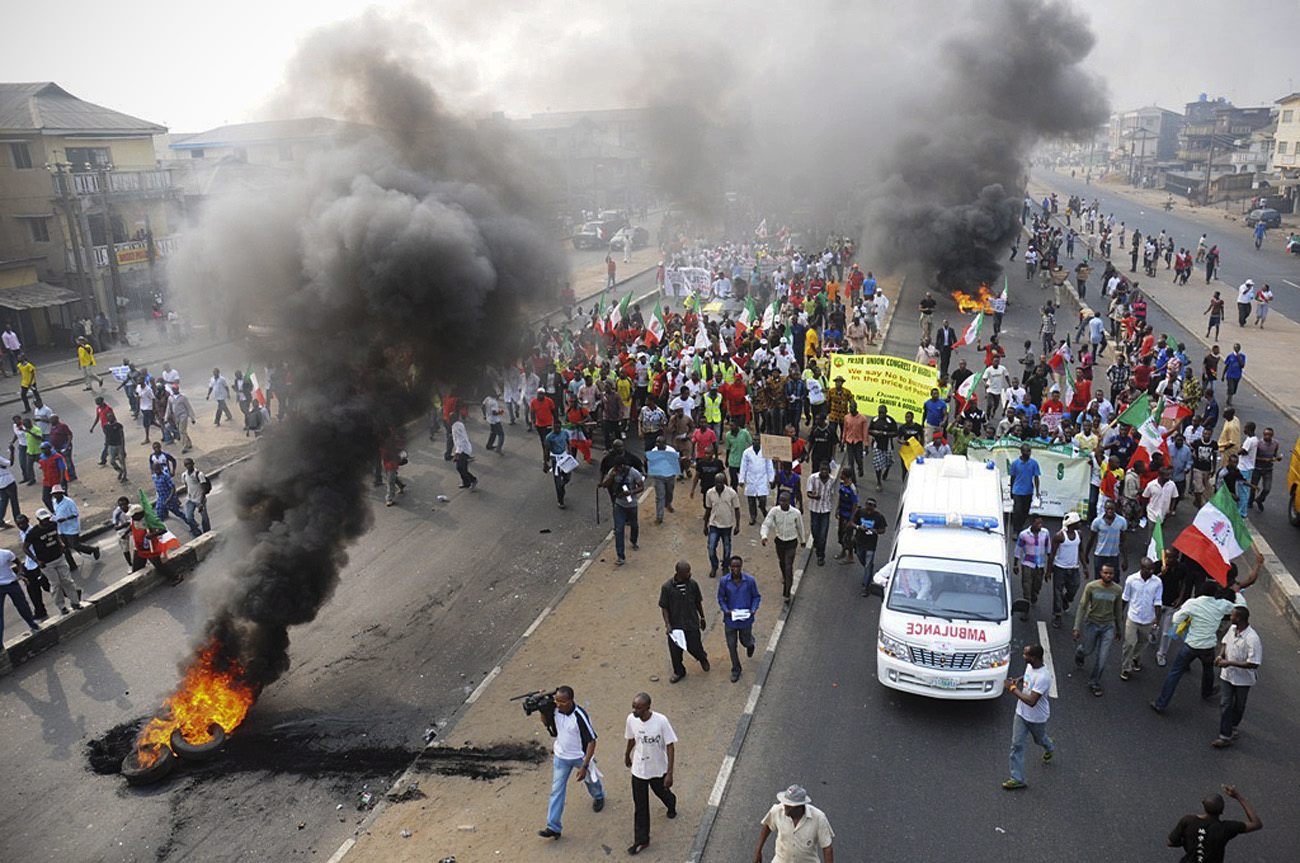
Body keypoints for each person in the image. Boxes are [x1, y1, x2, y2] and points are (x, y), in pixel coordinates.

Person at [1151, 583, 1237, 714]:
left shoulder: (1192, 603)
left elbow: (1176, 618)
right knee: (1208, 669)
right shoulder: (1222, 605)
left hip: (1191, 644)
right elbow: (1238, 608)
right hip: (1208, 645)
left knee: (1175, 673)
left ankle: (1161, 703)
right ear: (1215, 593)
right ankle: (1207, 692)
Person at [537, 685, 605, 839]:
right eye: (557, 701)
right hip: (561, 757)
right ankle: (553, 826)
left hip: (580, 757)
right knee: (556, 790)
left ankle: (599, 796)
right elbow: (545, 723)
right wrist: (542, 709)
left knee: (590, 781)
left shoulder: (579, 716)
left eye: (562, 702)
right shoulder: (554, 709)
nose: (558, 704)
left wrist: (585, 766)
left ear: (571, 701)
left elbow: (591, 741)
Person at [623, 692, 677, 855]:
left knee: (661, 791)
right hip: (639, 769)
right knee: (640, 806)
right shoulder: (631, 719)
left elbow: (670, 746)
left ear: (647, 707)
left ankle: (671, 802)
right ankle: (642, 840)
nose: (634, 710)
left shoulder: (661, 721)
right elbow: (631, 738)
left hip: (657, 767)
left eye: (638, 708)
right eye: (633, 706)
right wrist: (627, 755)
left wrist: (669, 773)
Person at [1001, 643, 1055, 790]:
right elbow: (1028, 676)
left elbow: (1031, 701)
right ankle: (1017, 778)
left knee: (1039, 739)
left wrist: (1012, 688)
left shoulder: (1044, 677)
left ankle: (1049, 746)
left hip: (1036, 718)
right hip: (1021, 714)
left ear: (1034, 658)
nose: (1023, 656)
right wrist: (1019, 680)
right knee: (1016, 745)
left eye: (1026, 655)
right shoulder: (1031, 666)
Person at [1166, 786, 1262, 860]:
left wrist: (1186, 843)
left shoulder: (1187, 820)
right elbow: (1256, 824)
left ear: (1204, 805)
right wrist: (1239, 797)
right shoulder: (1226, 828)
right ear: (1222, 810)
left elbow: (1170, 842)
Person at [1212, 606, 1262, 748]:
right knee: (1226, 704)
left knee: (1239, 706)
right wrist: (1221, 655)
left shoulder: (1252, 638)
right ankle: (1225, 736)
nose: (1230, 617)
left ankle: (1232, 726)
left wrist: (1229, 662)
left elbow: (1254, 664)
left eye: (1232, 615)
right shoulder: (1232, 629)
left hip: (1243, 680)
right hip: (1227, 676)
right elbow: (1225, 642)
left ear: (1239, 618)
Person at [1073, 562, 1123, 697]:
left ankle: (1094, 682)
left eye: (1111, 573)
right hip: (1092, 624)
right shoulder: (1091, 587)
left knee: (1102, 658)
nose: (1108, 575)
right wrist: (1077, 627)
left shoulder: (1117, 590)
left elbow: (1118, 611)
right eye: (1105, 573)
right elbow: (1082, 606)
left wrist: (1119, 629)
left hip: (1108, 626)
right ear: (1101, 573)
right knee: (1087, 650)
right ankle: (1080, 653)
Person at [752, 784, 835, 863]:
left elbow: (827, 848)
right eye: (785, 803)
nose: (785, 806)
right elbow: (767, 825)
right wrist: (758, 851)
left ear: (799, 806)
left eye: (789, 805)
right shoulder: (777, 811)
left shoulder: (818, 818)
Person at [24, 508, 82, 614]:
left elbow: (56, 535)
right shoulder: (33, 533)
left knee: (68, 581)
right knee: (56, 585)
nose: (46, 521)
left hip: (59, 557)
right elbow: (25, 548)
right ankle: (62, 607)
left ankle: (75, 602)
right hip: (46, 563)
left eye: (47, 518)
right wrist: (36, 560)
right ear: (38, 520)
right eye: (43, 520)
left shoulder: (53, 525)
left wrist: (61, 543)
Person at [659, 560, 709, 683]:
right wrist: (668, 625)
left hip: (691, 622)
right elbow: (664, 607)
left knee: (695, 647)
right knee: (675, 652)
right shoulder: (667, 588)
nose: (690, 574)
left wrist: (702, 617)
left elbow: (698, 602)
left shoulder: (693, 585)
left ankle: (702, 657)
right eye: (687, 572)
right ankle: (679, 671)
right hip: (675, 625)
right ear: (679, 573)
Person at [718, 555, 761, 682]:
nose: (735, 569)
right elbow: (721, 598)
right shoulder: (724, 582)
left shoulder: (750, 581)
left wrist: (753, 609)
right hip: (731, 620)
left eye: (738, 566)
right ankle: (736, 669)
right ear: (730, 567)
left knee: (745, 641)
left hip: (745, 620)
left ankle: (750, 644)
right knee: (732, 646)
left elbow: (756, 597)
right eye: (733, 566)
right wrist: (726, 610)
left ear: (741, 567)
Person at [1119, 558, 1163, 681]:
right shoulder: (1131, 580)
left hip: (1148, 619)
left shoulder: (1157, 582)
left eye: (1152, 569)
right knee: (1129, 644)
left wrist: (1157, 618)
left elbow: (1158, 601)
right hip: (1133, 617)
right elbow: (1125, 598)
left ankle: (1136, 658)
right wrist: (1119, 615)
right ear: (1141, 568)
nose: (1151, 571)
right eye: (1148, 569)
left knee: (1143, 642)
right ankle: (1126, 668)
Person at [760, 489, 806, 600]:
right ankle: (785, 577)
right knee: (782, 562)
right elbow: (766, 524)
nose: (782, 503)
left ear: (789, 501)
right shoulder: (774, 511)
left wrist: (803, 540)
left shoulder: (796, 513)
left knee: (789, 566)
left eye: (784, 501)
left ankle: (787, 593)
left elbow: (800, 527)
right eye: (780, 501)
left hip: (791, 542)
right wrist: (764, 536)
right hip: (780, 542)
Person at [602, 459, 644, 565]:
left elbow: (641, 487)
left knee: (634, 525)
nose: (617, 470)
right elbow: (604, 484)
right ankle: (620, 556)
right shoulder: (613, 471)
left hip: (632, 504)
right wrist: (611, 476)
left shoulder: (633, 473)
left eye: (618, 468)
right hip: (619, 504)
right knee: (619, 529)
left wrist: (630, 492)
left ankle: (633, 540)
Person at [50, 485, 101, 568]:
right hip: (61, 528)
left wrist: (65, 519)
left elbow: (75, 514)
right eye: (54, 494)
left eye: (57, 493)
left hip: (71, 527)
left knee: (75, 545)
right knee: (64, 547)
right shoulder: (54, 502)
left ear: (61, 493)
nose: (55, 495)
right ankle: (72, 565)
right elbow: (56, 512)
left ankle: (93, 549)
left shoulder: (69, 502)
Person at [1013, 515, 1051, 621]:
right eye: (1038, 523)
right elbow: (1018, 549)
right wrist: (1015, 564)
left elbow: (1049, 549)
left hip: (1040, 565)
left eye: (1041, 523)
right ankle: (1026, 610)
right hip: (1027, 564)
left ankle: (1034, 594)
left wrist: (1049, 567)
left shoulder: (1045, 533)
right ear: (1032, 523)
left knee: (1037, 585)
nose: (1040, 525)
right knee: (1026, 586)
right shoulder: (1024, 534)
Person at [703, 472, 741, 578]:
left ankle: (725, 566)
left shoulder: (731, 493)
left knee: (727, 548)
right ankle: (714, 566)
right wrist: (705, 525)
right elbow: (708, 509)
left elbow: (737, 509)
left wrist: (738, 525)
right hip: (714, 524)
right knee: (711, 548)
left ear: (724, 482)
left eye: (720, 482)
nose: (718, 485)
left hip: (727, 525)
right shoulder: (710, 493)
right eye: (717, 482)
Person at [1050, 513, 1083, 628]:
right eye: (1078, 522)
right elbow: (1052, 553)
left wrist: (1085, 566)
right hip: (1060, 568)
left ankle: (1066, 599)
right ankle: (1057, 615)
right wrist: (1049, 570)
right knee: (1057, 592)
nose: (1080, 524)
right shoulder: (1059, 536)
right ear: (1072, 524)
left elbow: (1081, 550)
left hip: (1074, 568)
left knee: (1074, 587)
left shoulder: (1079, 534)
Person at [851, 497, 887, 598]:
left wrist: (875, 530)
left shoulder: (879, 517)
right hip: (859, 542)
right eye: (868, 505)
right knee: (861, 558)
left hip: (871, 545)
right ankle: (869, 571)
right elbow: (852, 523)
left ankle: (866, 586)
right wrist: (858, 527)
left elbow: (883, 530)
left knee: (868, 565)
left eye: (872, 506)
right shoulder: (860, 512)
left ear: (875, 507)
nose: (869, 508)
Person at [1084, 499, 1128, 578]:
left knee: (1114, 580)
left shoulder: (1122, 521)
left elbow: (1123, 542)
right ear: (1104, 509)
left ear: (1115, 509)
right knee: (1098, 579)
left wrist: (1125, 559)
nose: (1110, 511)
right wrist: (1086, 555)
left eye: (1112, 509)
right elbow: (1091, 539)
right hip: (1100, 555)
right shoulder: (1097, 522)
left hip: (1114, 556)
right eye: (1108, 509)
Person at [738, 438, 773, 525]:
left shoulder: (765, 451)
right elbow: (743, 466)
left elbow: (769, 465)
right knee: (751, 500)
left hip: (762, 478)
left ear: (760, 442)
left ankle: (763, 509)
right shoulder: (747, 452)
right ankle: (753, 517)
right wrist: (741, 479)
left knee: (762, 499)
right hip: (751, 479)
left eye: (757, 440)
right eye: (754, 440)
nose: (755, 442)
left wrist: (771, 479)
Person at [805, 463, 835, 567]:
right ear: (819, 470)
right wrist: (814, 496)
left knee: (823, 533)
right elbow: (808, 493)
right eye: (822, 470)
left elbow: (831, 493)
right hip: (814, 509)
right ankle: (817, 544)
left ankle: (821, 555)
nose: (824, 472)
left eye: (826, 470)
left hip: (826, 509)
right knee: (815, 530)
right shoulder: (812, 478)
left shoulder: (832, 480)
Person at [1008, 444, 1041, 533]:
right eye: (1026, 451)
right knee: (1017, 511)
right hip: (1017, 491)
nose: (1028, 453)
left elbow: (1036, 477)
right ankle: (1016, 530)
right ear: (1022, 452)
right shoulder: (1015, 463)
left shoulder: (1034, 463)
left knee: (1025, 512)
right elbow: (1012, 477)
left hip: (1028, 491)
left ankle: (1020, 526)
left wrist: (1037, 491)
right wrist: (1011, 490)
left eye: (1029, 451)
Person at [646, 436, 679, 524]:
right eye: (656, 442)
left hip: (669, 475)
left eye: (659, 442)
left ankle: (668, 503)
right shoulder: (654, 451)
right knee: (660, 496)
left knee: (669, 492)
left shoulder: (671, 451)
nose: (657, 444)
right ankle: (659, 517)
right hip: (659, 476)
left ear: (664, 443)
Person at [181, 458, 212, 535]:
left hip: (199, 499)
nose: (188, 466)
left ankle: (207, 532)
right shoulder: (184, 475)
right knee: (188, 517)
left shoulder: (199, 474)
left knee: (204, 517)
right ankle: (196, 530)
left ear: (193, 463)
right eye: (186, 464)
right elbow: (186, 486)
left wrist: (201, 502)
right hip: (190, 499)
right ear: (185, 466)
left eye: (190, 464)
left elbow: (204, 488)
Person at [451, 414, 477, 490]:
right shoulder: (459, 424)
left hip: (463, 450)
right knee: (461, 468)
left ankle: (472, 480)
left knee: (460, 467)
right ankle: (466, 482)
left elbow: (460, 440)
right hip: (465, 449)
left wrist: (457, 453)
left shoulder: (455, 427)